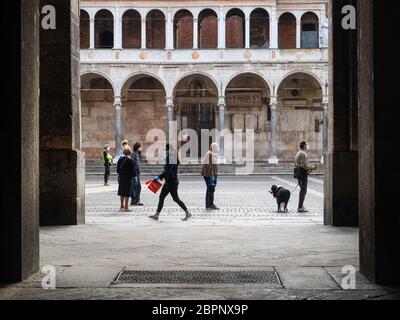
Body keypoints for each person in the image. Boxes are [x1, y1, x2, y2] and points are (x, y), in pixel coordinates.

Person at [149, 144, 191, 221]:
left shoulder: (171, 156)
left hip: (171, 181)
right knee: (173, 198)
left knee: (168, 197)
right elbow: (168, 169)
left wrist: (159, 177)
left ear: (167, 149)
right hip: (171, 181)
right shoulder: (172, 156)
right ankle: (157, 214)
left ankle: (157, 214)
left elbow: (168, 170)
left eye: (165, 150)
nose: (165, 151)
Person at [295, 141, 317, 213]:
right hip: (303, 173)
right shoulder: (303, 154)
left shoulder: (298, 152)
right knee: (303, 190)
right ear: (304, 146)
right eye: (307, 145)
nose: (308, 146)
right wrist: (312, 167)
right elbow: (304, 165)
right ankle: (300, 207)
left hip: (298, 172)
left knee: (302, 189)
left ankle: (300, 206)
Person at [117, 146, 137, 212]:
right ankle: (126, 207)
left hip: (121, 178)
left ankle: (121, 206)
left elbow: (117, 170)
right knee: (127, 193)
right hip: (128, 178)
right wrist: (135, 178)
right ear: (130, 153)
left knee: (122, 192)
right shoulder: (131, 161)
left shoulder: (120, 160)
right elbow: (133, 171)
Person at [201, 143, 219, 210]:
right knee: (211, 189)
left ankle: (209, 204)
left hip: (210, 174)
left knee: (210, 189)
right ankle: (210, 205)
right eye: (216, 147)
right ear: (213, 147)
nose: (217, 149)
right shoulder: (210, 154)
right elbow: (210, 167)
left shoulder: (212, 154)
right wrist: (212, 177)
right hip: (209, 175)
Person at [130, 142, 143, 206]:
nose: (142, 147)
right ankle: (135, 201)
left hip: (137, 173)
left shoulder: (136, 154)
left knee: (135, 187)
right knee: (137, 187)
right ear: (138, 147)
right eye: (141, 146)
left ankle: (134, 200)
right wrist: (134, 175)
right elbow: (133, 165)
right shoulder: (134, 154)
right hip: (135, 174)